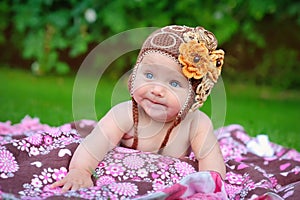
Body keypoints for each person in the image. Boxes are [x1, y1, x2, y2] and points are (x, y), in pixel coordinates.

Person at [51, 25, 226, 192]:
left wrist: (210, 187)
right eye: (149, 75)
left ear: (193, 94)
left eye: (174, 83)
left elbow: (211, 162)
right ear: (134, 75)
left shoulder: (197, 123)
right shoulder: (125, 114)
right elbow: (95, 144)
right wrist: (81, 171)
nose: (157, 90)